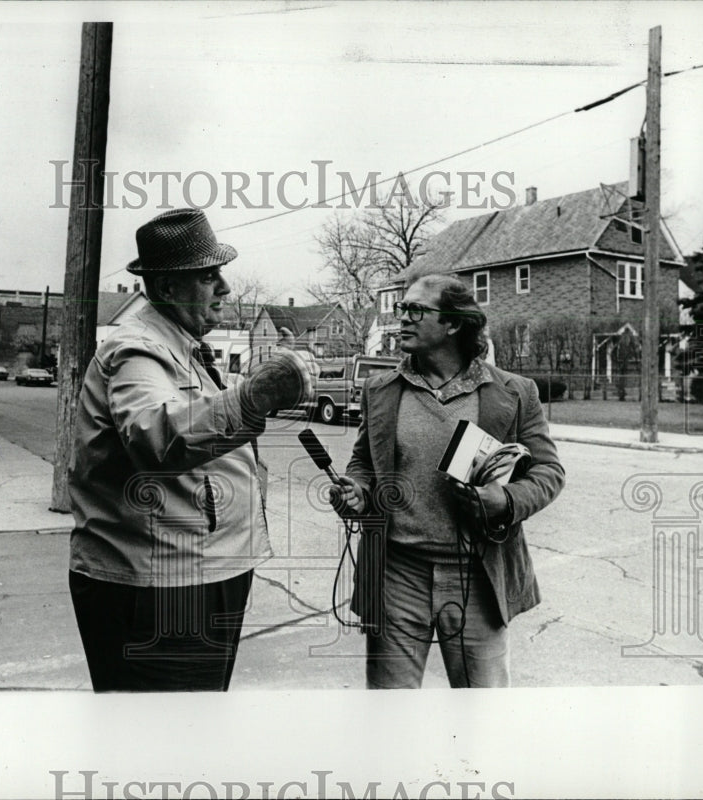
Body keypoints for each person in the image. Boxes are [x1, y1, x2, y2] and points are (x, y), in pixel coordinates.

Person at [67, 208, 312, 692]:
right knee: (171, 742)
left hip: (193, 573)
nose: (224, 287)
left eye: (219, 273)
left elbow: (197, 416)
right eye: (207, 275)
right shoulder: (137, 349)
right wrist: (258, 393)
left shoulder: (177, 344)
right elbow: (157, 435)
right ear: (164, 289)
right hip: (165, 588)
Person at [329, 274, 564, 688]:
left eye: (415, 310)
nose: (402, 318)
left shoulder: (513, 391)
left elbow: (549, 472)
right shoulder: (381, 389)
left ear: (453, 324)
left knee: (481, 712)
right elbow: (364, 461)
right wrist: (358, 491)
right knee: (389, 708)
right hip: (396, 573)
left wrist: (505, 500)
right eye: (402, 309)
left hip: (478, 574)